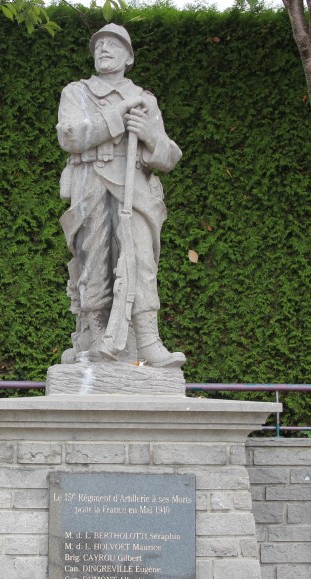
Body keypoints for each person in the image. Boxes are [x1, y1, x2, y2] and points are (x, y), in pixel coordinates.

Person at [56, 23, 185, 368]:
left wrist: (150, 136)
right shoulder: (76, 93)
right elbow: (70, 137)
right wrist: (117, 116)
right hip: (90, 183)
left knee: (140, 259)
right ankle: (92, 338)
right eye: (99, 45)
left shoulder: (145, 101)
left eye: (113, 45)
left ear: (129, 56)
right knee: (92, 260)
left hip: (135, 187)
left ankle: (148, 340)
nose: (104, 50)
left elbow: (170, 156)